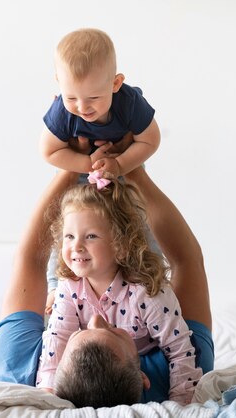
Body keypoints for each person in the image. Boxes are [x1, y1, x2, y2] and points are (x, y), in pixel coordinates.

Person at [0, 165, 213, 408]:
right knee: (123, 235)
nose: (97, 320)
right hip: (111, 295)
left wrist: (67, 168)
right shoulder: (186, 364)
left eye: (79, 334)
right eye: (112, 332)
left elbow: (31, 259)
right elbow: (187, 261)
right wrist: (135, 172)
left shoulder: (17, 367)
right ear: (144, 377)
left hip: (43, 338)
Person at [36, 171, 201, 405]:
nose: (77, 246)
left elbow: (179, 349)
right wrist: (47, 393)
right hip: (96, 367)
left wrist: (182, 401)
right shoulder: (69, 287)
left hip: (138, 360)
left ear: (120, 246)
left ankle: (131, 166)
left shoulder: (146, 292)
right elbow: (57, 339)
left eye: (91, 236)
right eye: (69, 236)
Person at [39, 27, 161, 179]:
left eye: (94, 97)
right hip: (78, 169)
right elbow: (49, 151)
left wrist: (119, 165)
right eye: (71, 98)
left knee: (133, 199)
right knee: (72, 201)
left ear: (115, 84)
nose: (82, 107)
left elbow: (150, 140)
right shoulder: (62, 111)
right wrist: (88, 163)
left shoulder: (129, 102)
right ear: (59, 83)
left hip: (125, 164)